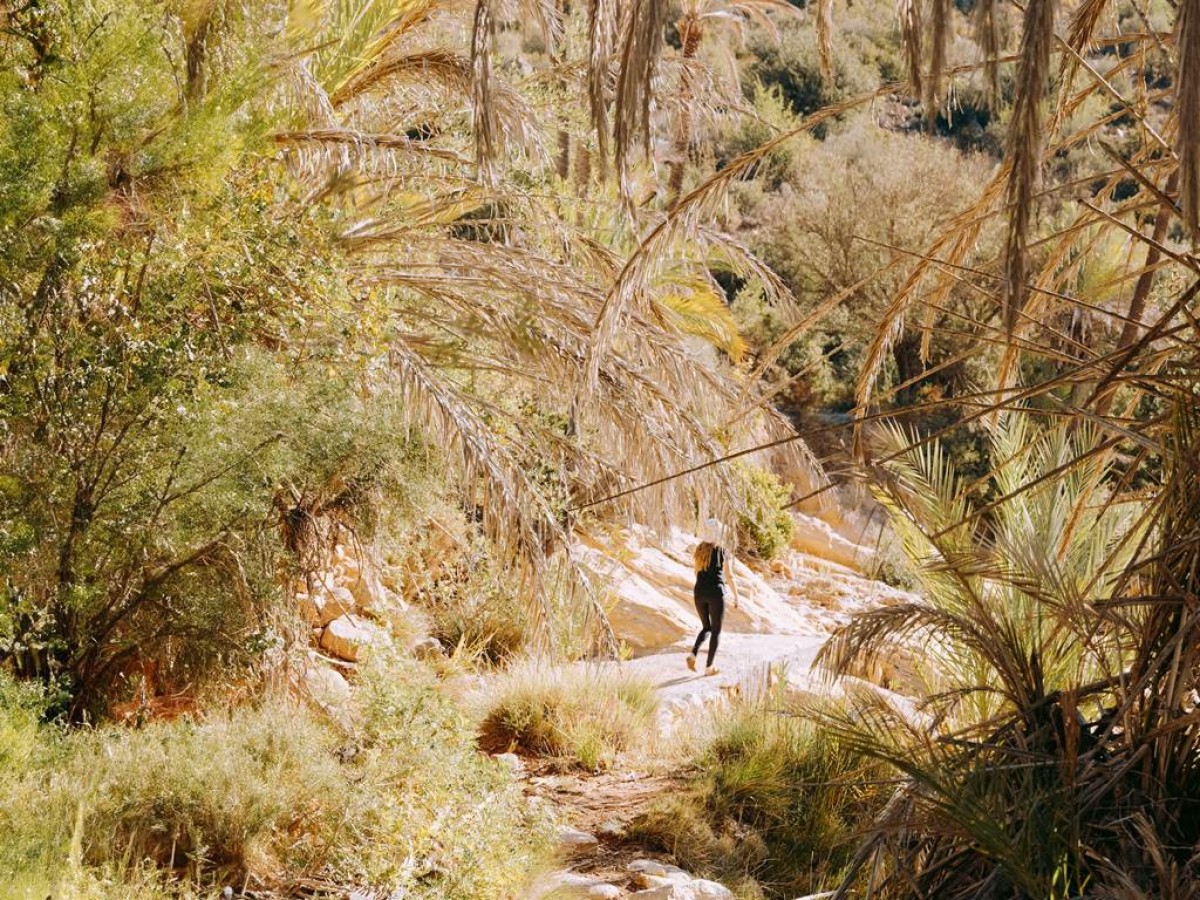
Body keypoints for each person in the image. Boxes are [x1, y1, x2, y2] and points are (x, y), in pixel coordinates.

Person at [687, 519, 740, 676]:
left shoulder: (699, 549)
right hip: (716, 593)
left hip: (699, 593)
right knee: (715, 631)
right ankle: (709, 667)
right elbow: (729, 576)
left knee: (706, 627)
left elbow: (696, 572)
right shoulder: (722, 551)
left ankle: (693, 654)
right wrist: (736, 596)